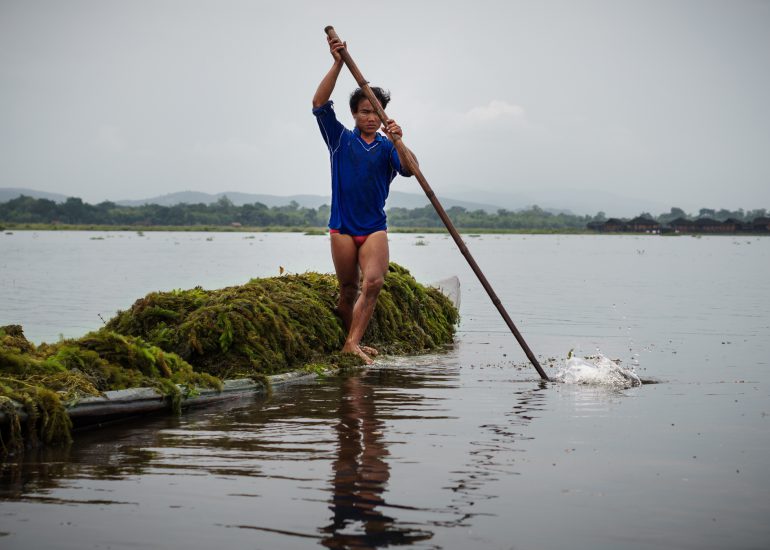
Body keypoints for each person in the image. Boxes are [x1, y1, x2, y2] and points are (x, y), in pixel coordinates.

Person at [312, 35, 415, 364]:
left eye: (377, 112)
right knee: (348, 293)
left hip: (373, 228)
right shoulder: (340, 139)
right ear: (355, 114)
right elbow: (318, 103)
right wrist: (338, 63)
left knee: (373, 282)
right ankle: (352, 339)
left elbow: (411, 169)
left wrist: (399, 140)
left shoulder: (387, 148)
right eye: (365, 112)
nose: (372, 117)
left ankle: (351, 344)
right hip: (342, 227)